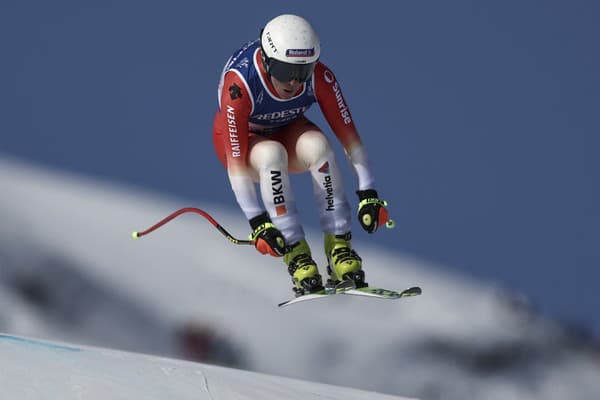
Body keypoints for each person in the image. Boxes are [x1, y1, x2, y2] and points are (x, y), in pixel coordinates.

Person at [212, 14, 391, 296]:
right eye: (285, 71)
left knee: (318, 146)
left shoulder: (321, 77)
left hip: (288, 129)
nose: (294, 82)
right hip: (245, 142)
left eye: (303, 71)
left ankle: (339, 248)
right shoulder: (241, 85)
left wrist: (368, 192)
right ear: (268, 61)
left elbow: (350, 138)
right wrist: (258, 222)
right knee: (271, 154)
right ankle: (296, 254)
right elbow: (236, 166)